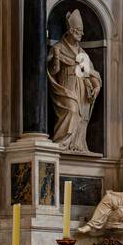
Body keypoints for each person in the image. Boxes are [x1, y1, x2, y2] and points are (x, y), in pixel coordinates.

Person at [48, 9, 102, 153]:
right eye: (79, 30)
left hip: (82, 90)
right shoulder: (58, 48)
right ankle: (62, 142)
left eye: (82, 31)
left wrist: (96, 87)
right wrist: (57, 58)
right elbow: (52, 72)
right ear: (71, 30)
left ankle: (77, 145)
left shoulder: (82, 53)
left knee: (81, 116)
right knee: (71, 110)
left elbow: (91, 74)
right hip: (66, 86)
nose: (82, 34)